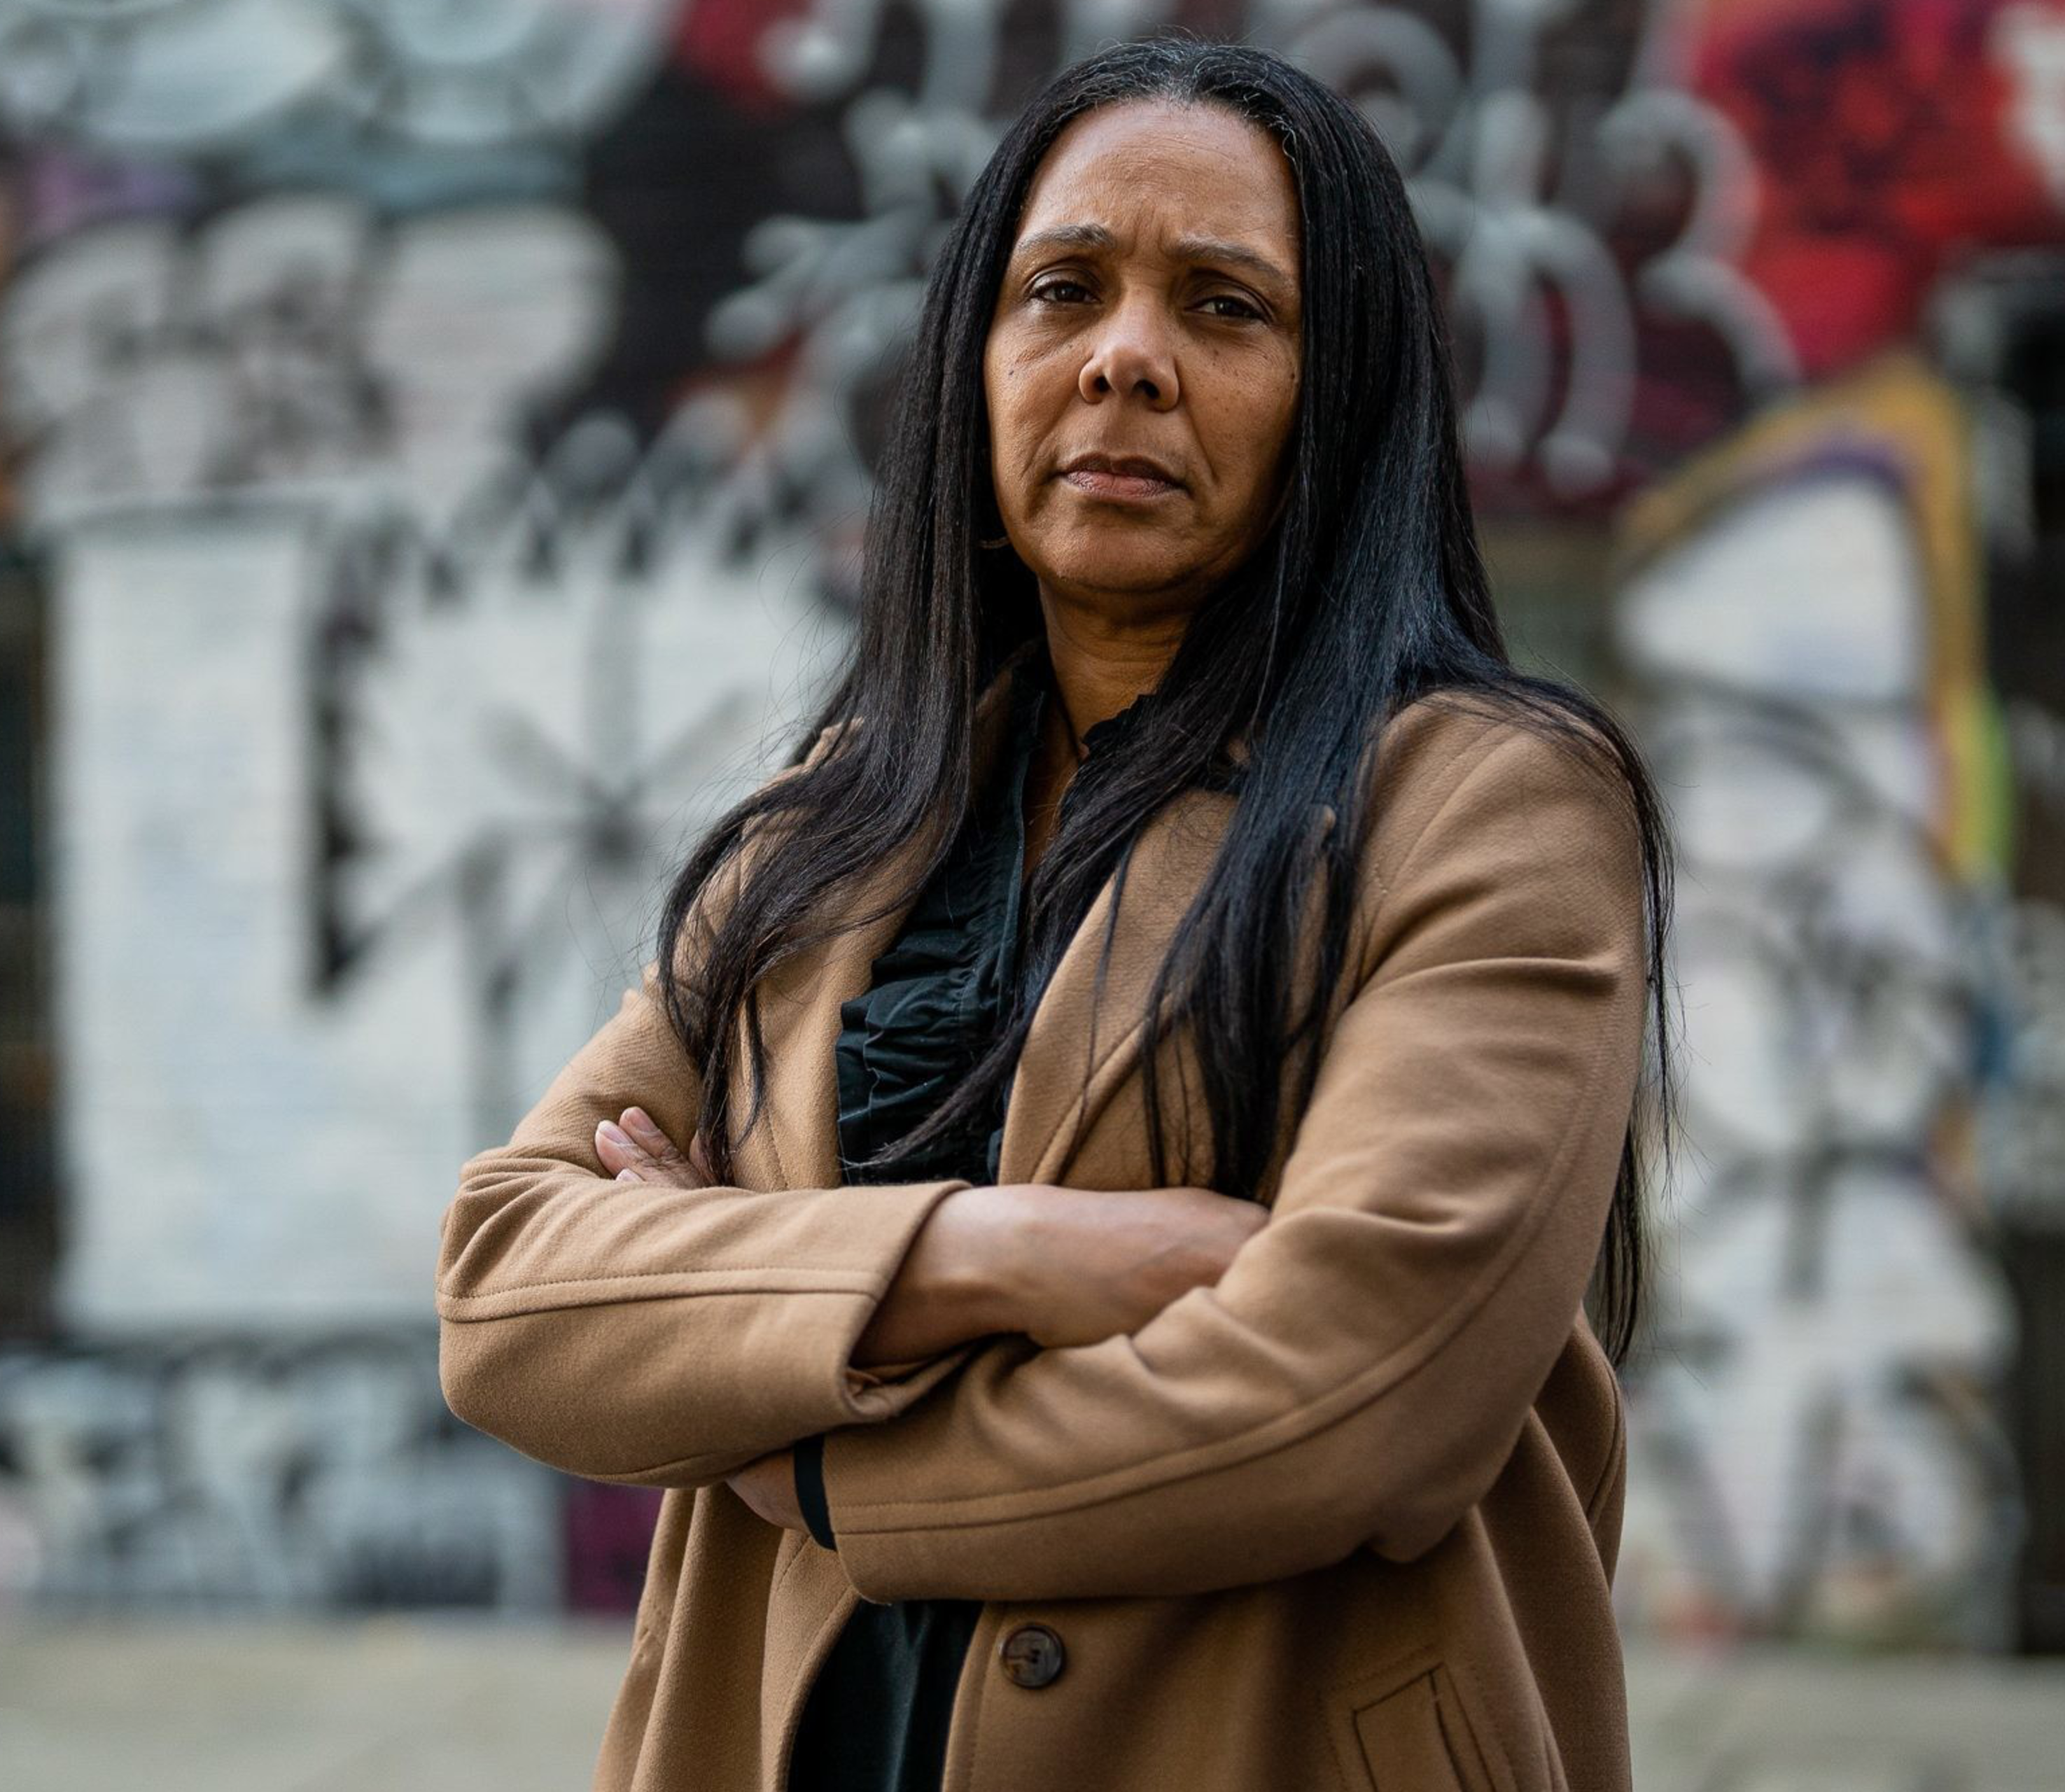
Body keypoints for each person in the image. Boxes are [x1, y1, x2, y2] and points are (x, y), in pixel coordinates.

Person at [437, 35, 1678, 1792]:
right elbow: (506, 1288)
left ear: (1340, 393)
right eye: (1062, 289)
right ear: (978, 363)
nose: (1124, 359)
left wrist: (782, 1433)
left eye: (1225, 307)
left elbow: (1346, 1404)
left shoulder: (1481, 805)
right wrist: (990, 1258)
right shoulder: (824, 837)